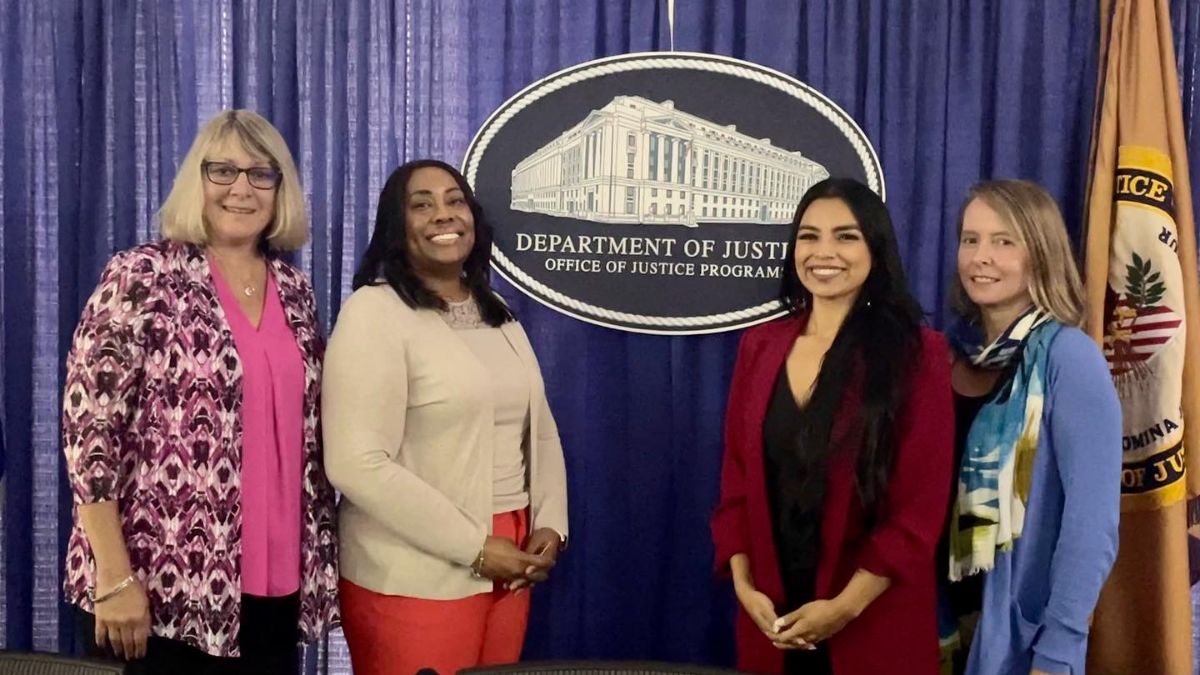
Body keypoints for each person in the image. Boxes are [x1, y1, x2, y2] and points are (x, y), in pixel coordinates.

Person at [61, 109, 340, 674]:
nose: (242, 189)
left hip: (277, 585)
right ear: (198, 180)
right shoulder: (142, 274)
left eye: (261, 174)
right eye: (223, 171)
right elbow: (89, 431)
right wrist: (113, 577)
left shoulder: (296, 290)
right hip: (158, 588)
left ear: (280, 189)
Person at [323, 158, 569, 674]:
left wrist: (551, 523)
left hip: (513, 560)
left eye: (455, 200)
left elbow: (539, 429)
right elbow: (355, 463)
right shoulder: (374, 313)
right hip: (415, 572)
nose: (443, 214)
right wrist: (475, 548)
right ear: (396, 226)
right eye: (422, 205)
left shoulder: (494, 309)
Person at [711, 177, 954, 674]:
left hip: (871, 627)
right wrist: (744, 586)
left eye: (846, 236)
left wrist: (842, 609)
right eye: (809, 236)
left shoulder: (918, 354)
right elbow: (736, 484)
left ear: (875, 249)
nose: (824, 252)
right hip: (772, 626)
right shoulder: (759, 347)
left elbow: (918, 512)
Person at [944, 180, 1120, 675]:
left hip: (1017, 635)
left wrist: (1059, 649)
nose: (981, 256)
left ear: (1041, 253)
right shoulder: (944, 354)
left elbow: (1092, 526)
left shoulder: (1070, 358)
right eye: (971, 239)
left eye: (1004, 241)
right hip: (936, 624)